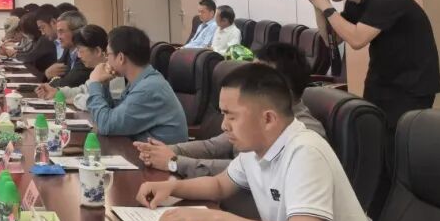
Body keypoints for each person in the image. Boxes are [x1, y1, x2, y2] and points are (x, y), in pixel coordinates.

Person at [138, 63, 393, 221]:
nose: (224, 125)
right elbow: (219, 185)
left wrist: (217, 219)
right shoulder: (256, 148)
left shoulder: (306, 152)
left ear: (268, 118)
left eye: (231, 116)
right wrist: (172, 187)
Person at [135, 42, 326, 177]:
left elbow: (248, 174)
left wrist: (175, 162)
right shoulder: (255, 114)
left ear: (282, 87)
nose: (246, 84)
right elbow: (214, 148)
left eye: (256, 79)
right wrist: (165, 151)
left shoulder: (305, 135)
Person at [303, 0, 440, 130]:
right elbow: (334, 39)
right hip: (381, 80)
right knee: (373, 134)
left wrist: (326, 6)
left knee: (399, 139)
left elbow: (356, 39)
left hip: (411, 85)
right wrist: (318, 8)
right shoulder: (354, 3)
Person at [76, 25, 187, 143]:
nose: (107, 60)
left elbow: (106, 125)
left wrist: (94, 83)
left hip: (153, 154)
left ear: (121, 58)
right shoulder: (141, 81)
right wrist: (103, 85)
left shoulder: (149, 88)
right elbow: (114, 113)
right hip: (136, 149)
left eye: (108, 55)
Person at [36, 24, 107, 100]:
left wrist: (72, 100)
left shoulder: (112, 73)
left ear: (97, 51)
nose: (79, 56)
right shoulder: (99, 69)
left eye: (80, 50)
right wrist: (56, 92)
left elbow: (93, 100)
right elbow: (82, 90)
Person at [43, 10, 88, 83]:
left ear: (76, 32)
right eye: (58, 32)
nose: (59, 37)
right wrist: (47, 74)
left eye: (61, 31)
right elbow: (53, 73)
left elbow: (68, 83)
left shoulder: (86, 54)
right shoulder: (68, 50)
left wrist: (48, 75)